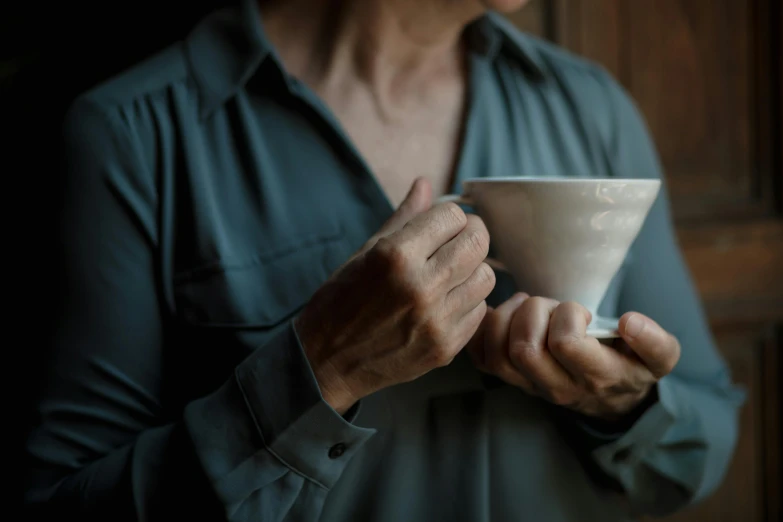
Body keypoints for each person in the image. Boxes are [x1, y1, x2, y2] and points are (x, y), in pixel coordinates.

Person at [24, 0, 746, 520]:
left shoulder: (592, 110)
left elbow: (700, 447)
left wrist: (617, 404)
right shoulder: (132, 134)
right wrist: (324, 368)